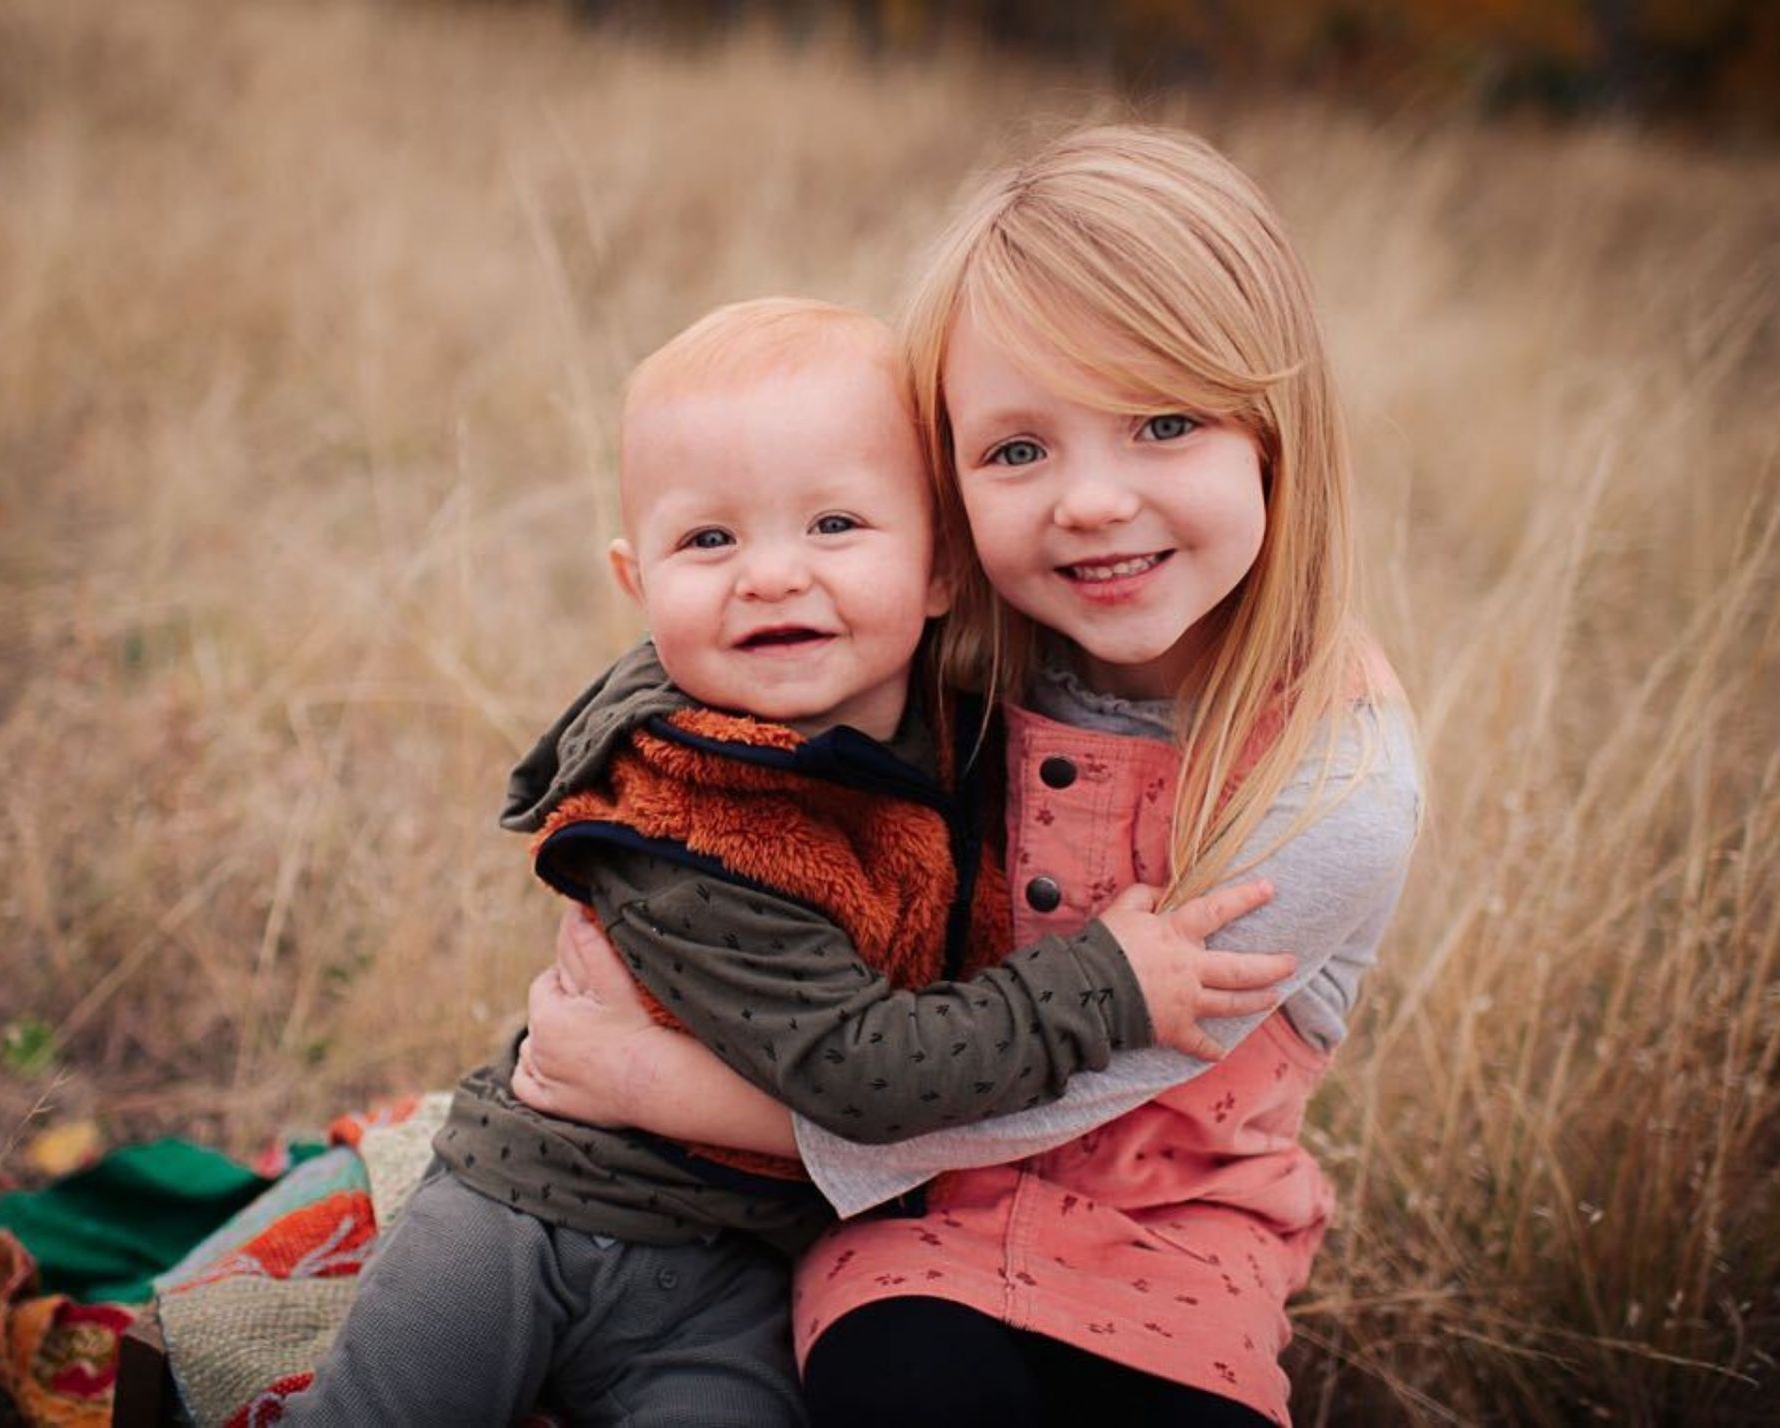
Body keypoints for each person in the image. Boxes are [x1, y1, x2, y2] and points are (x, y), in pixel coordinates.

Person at [512, 127, 1422, 1428]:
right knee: (912, 1391)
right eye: (1017, 451)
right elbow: (725, 705)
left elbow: (1051, 1106)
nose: (1093, 503)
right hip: (905, 1222)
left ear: (1276, 434)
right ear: (941, 491)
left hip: (1180, 1237)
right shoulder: (969, 642)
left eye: (1164, 421)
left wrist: (668, 1092)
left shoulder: (1339, 786)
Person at [283, 296, 1298, 1427]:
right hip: (529, 1211)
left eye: (832, 527)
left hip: (734, 1280)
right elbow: (859, 1073)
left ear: (937, 571)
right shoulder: (680, 816)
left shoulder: (943, 735)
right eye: (707, 540)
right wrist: (1101, 986)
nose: (768, 576)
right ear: (635, 581)